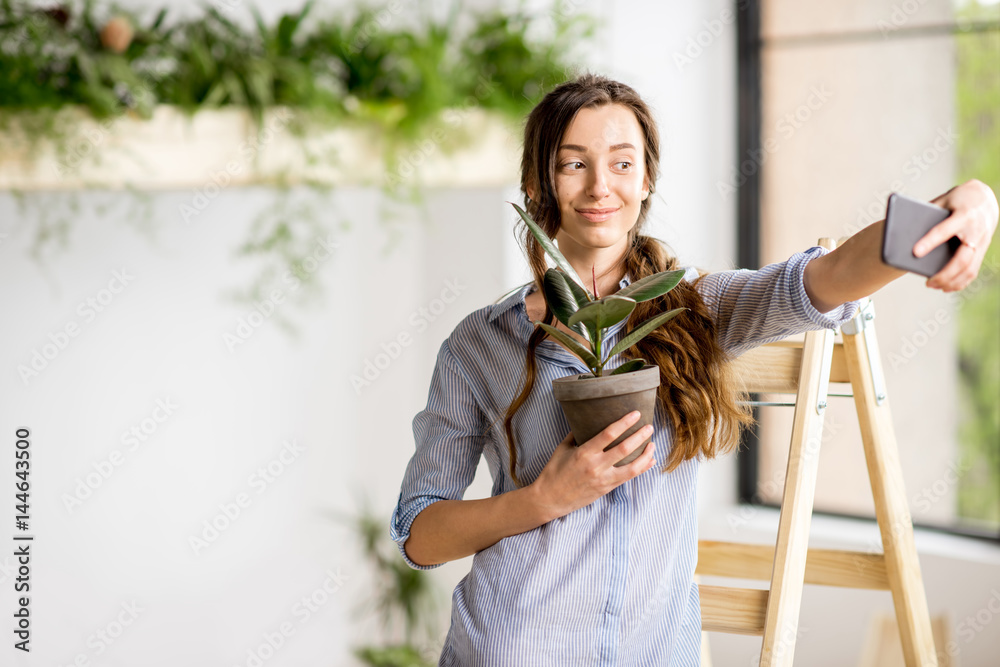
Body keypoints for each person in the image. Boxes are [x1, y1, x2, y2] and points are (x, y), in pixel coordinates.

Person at [389, 74, 999, 665]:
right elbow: (420, 532)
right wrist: (546, 498)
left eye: (622, 163)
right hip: (513, 647)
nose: (601, 185)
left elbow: (829, 277)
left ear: (647, 178)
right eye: (574, 163)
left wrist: (968, 202)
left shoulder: (693, 310)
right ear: (537, 180)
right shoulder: (480, 343)